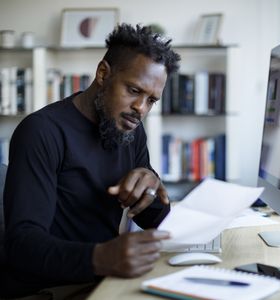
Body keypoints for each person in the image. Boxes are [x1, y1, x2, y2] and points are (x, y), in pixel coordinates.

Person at [0, 23, 181, 299]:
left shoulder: (131, 130)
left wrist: (151, 187)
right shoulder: (41, 131)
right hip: (46, 289)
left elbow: (150, 216)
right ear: (103, 73)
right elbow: (22, 245)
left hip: (101, 279)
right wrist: (101, 257)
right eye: (133, 90)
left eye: (151, 100)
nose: (141, 108)